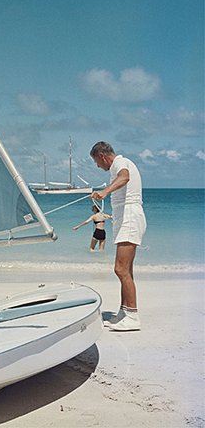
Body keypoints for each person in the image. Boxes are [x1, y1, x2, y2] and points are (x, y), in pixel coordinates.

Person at [90, 141, 146, 332]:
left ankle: (132, 316)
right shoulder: (118, 165)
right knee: (126, 270)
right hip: (126, 219)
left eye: (97, 162)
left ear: (103, 156)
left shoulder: (121, 164)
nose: (98, 166)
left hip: (130, 218)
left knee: (120, 269)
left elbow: (125, 177)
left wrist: (104, 192)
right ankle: (124, 312)